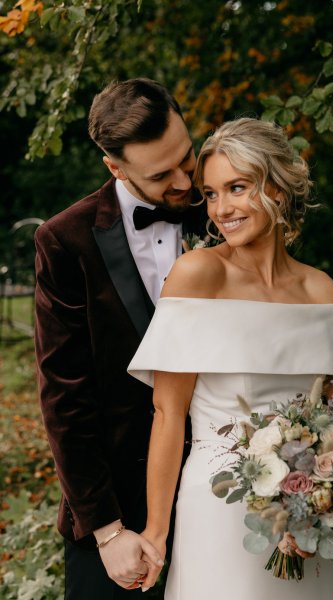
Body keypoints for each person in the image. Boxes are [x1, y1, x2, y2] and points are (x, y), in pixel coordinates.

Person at [128, 117, 333, 599]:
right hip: (219, 504)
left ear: (277, 185)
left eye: (237, 187)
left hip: (306, 514)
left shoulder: (320, 290)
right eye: (210, 194)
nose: (222, 208)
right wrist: (156, 531)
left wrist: (331, 505)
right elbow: (168, 413)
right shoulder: (197, 275)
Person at [34, 77, 206, 599]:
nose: (183, 181)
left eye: (187, 157)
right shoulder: (65, 241)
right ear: (115, 168)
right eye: (161, 174)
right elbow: (65, 398)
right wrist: (107, 530)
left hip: (230, 491)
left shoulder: (226, 211)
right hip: (122, 511)